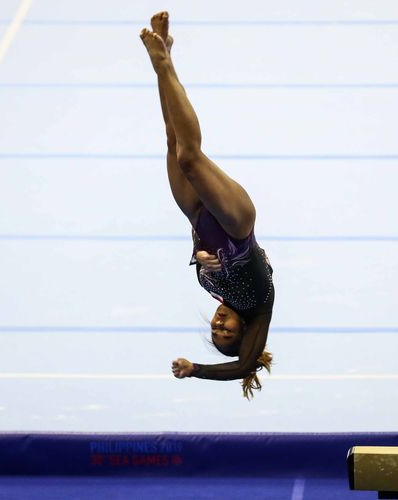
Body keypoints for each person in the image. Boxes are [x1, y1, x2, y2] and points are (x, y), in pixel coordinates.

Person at [140, 11, 275, 399]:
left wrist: (201, 257)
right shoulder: (260, 308)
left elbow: (203, 257)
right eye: (227, 330)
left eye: (214, 329)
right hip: (236, 224)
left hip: (199, 218)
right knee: (190, 158)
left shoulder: (212, 288)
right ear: (244, 332)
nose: (218, 323)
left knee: (172, 142)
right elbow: (244, 366)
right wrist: (196, 370)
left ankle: (166, 58)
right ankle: (162, 62)